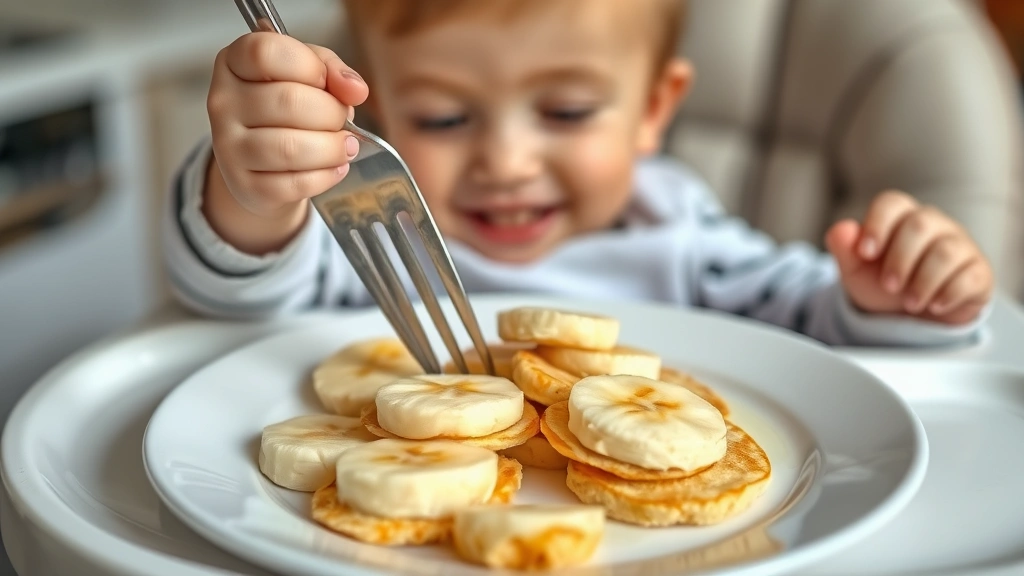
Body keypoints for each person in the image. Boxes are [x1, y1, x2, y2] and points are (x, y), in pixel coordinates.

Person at [162, 0, 993, 347]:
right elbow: (247, 286)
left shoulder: (679, 238)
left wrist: (894, 295)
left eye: (565, 113)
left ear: (652, 112)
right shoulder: (372, 239)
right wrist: (256, 192)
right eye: (444, 119)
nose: (507, 163)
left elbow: (819, 325)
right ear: (374, 115)